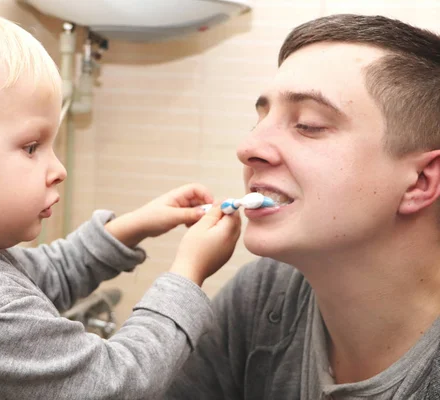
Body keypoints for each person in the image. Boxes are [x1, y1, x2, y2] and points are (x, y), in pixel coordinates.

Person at [0, 1, 242, 399]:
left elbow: (49, 274)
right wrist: (188, 273)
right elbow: (121, 383)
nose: (58, 169)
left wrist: (134, 225)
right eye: (32, 147)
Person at [165, 14, 440, 400]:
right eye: (260, 119)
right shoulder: (264, 293)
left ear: (421, 181)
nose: (248, 148)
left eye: (308, 124)